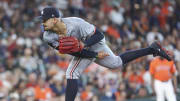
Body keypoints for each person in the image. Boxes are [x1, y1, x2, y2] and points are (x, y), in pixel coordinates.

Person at [38, 7, 172, 101]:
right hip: (82, 50)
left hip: (94, 42)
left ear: (55, 19)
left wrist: (85, 45)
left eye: (44, 20)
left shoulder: (76, 23)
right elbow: (75, 51)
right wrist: (94, 56)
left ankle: (152, 49)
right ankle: (151, 49)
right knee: (116, 63)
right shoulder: (48, 36)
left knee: (72, 73)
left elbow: (99, 35)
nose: (42, 22)